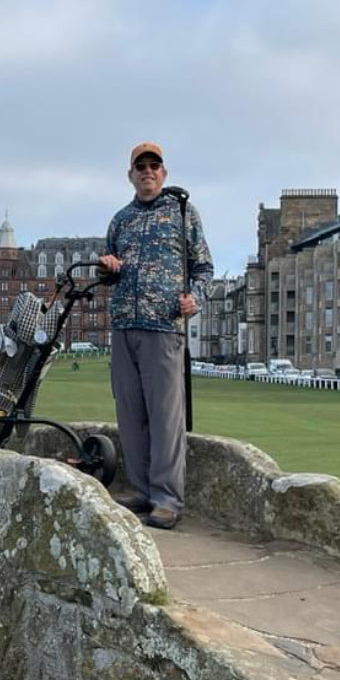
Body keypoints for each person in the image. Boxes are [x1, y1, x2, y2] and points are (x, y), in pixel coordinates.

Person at [97, 142, 213, 529]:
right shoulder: (120, 220)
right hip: (123, 327)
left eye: (154, 167)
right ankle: (143, 490)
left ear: (164, 173)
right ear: (130, 174)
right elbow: (106, 274)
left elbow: (204, 268)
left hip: (164, 327)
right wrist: (108, 266)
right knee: (130, 413)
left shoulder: (182, 213)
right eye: (140, 167)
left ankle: (166, 499)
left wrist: (194, 299)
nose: (147, 172)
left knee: (165, 416)